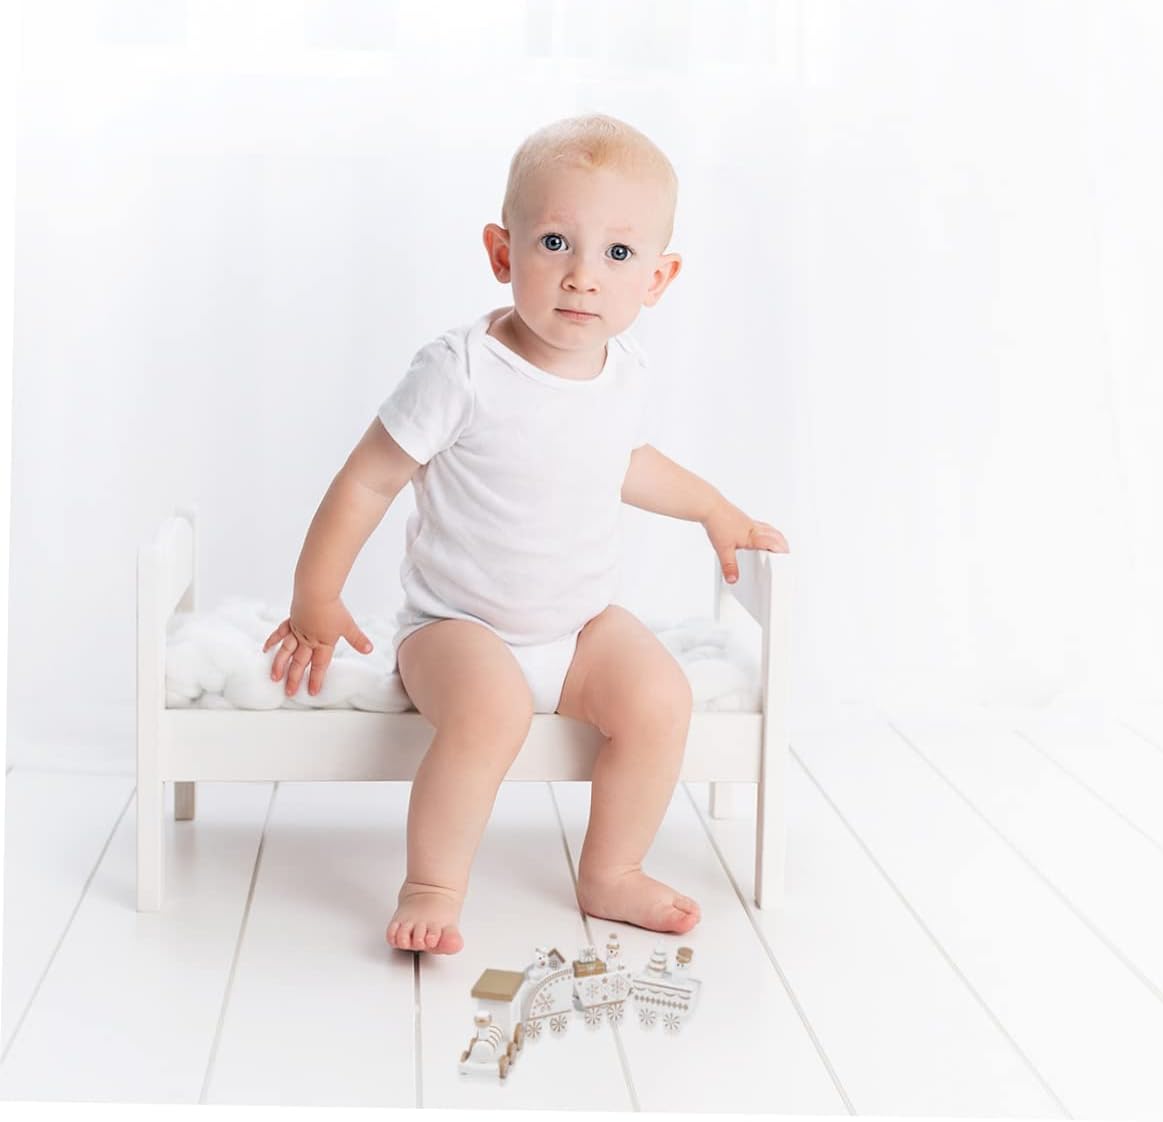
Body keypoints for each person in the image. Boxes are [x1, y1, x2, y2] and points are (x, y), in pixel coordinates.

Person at [262, 114, 790, 956]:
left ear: (657, 277)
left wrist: (712, 508)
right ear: (502, 253)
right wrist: (314, 595)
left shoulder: (623, 372)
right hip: (455, 627)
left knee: (661, 700)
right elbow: (368, 479)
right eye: (554, 243)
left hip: (577, 626)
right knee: (491, 713)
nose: (583, 275)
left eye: (618, 254)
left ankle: (611, 870)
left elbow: (627, 462)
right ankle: (432, 884)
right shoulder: (461, 370)